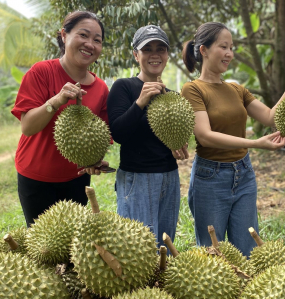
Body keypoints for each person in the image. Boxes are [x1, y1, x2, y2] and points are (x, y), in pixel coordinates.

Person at [181, 22, 285, 258]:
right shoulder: (193, 89)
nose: (230, 53)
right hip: (210, 177)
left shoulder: (236, 89)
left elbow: (271, 117)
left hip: (244, 174)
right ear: (204, 50)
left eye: (232, 47)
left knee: (248, 249)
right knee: (212, 254)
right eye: (223, 46)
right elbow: (205, 136)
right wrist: (255, 143)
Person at [11, 11, 109, 226]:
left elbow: (100, 135)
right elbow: (27, 127)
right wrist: (56, 100)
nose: (90, 44)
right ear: (64, 35)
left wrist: (94, 161)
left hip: (76, 179)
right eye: (83, 35)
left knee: (73, 247)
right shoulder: (41, 73)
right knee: (44, 250)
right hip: (36, 178)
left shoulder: (101, 88)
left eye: (97, 40)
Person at [105, 25, 188, 251]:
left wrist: (178, 143)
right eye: (147, 49)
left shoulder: (172, 96)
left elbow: (172, 136)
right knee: (137, 249)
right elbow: (119, 133)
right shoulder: (124, 87)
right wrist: (141, 102)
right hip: (137, 178)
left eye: (160, 49)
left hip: (169, 177)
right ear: (136, 55)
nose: (154, 54)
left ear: (167, 55)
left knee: (164, 245)